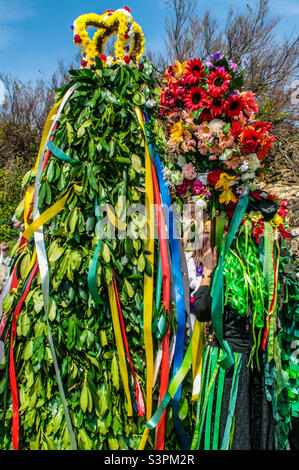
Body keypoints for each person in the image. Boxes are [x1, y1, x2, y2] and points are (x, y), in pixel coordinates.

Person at [192, 216, 276, 450]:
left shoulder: (224, 270)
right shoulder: (258, 271)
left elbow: (202, 310)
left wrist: (208, 271)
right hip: (252, 363)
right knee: (244, 426)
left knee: (223, 429)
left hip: (226, 364)